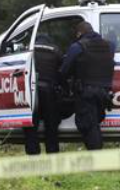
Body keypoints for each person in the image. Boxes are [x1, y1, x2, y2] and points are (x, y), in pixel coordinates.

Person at [60, 21, 115, 150]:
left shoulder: (77, 46)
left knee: (88, 125)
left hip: (86, 92)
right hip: (104, 93)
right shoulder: (109, 45)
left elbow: (64, 70)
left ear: (80, 33)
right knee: (94, 123)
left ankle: (96, 158)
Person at [23, 34, 62, 155]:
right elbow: (63, 69)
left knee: (30, 125)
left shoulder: (28, 50)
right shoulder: (55, 50)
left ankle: (33, 154)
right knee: (51, 125)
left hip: (31, 91)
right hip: (49, 90)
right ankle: (52, 153)